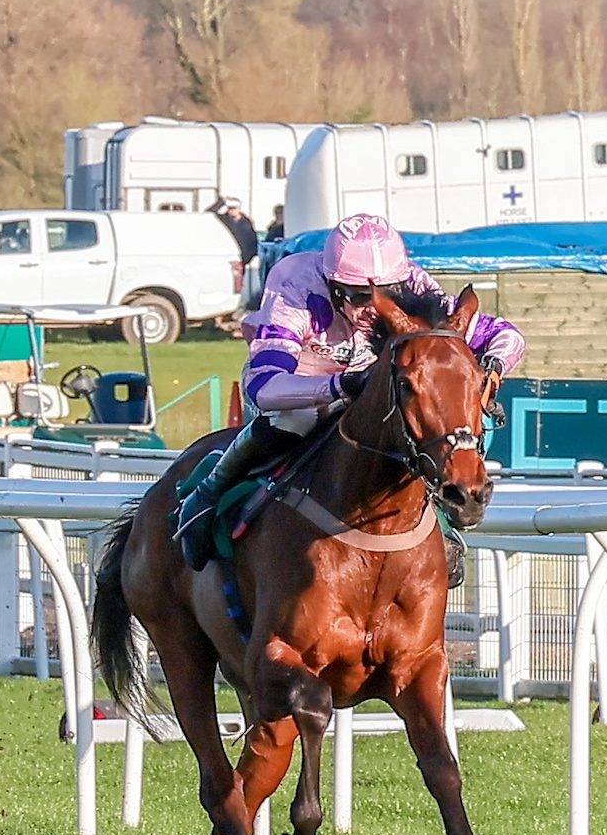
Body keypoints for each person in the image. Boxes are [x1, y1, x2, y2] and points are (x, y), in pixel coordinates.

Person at [179, 213, 525, 584]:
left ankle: (441, 521)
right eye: (360, 298)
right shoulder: (296, 283)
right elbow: (264, 388)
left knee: (420, 424)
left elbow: (508, 335)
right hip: (300, 386)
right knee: (294, 421)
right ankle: (209, 493)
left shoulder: (415, 284)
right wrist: (340, 387)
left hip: (371, 393)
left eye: (387, 295)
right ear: (333, 286)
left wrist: (492, 365)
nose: (374, 309)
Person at [212, 196, 259, 296]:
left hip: (240, 258)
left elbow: (251, 241)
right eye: (229, 208)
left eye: (234, 208)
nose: (231, 211)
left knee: (238, 285)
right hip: (226, 257)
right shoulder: (223, 220)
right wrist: (220, 203)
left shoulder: (246, 223)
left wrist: (246, 258)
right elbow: (209, 213)